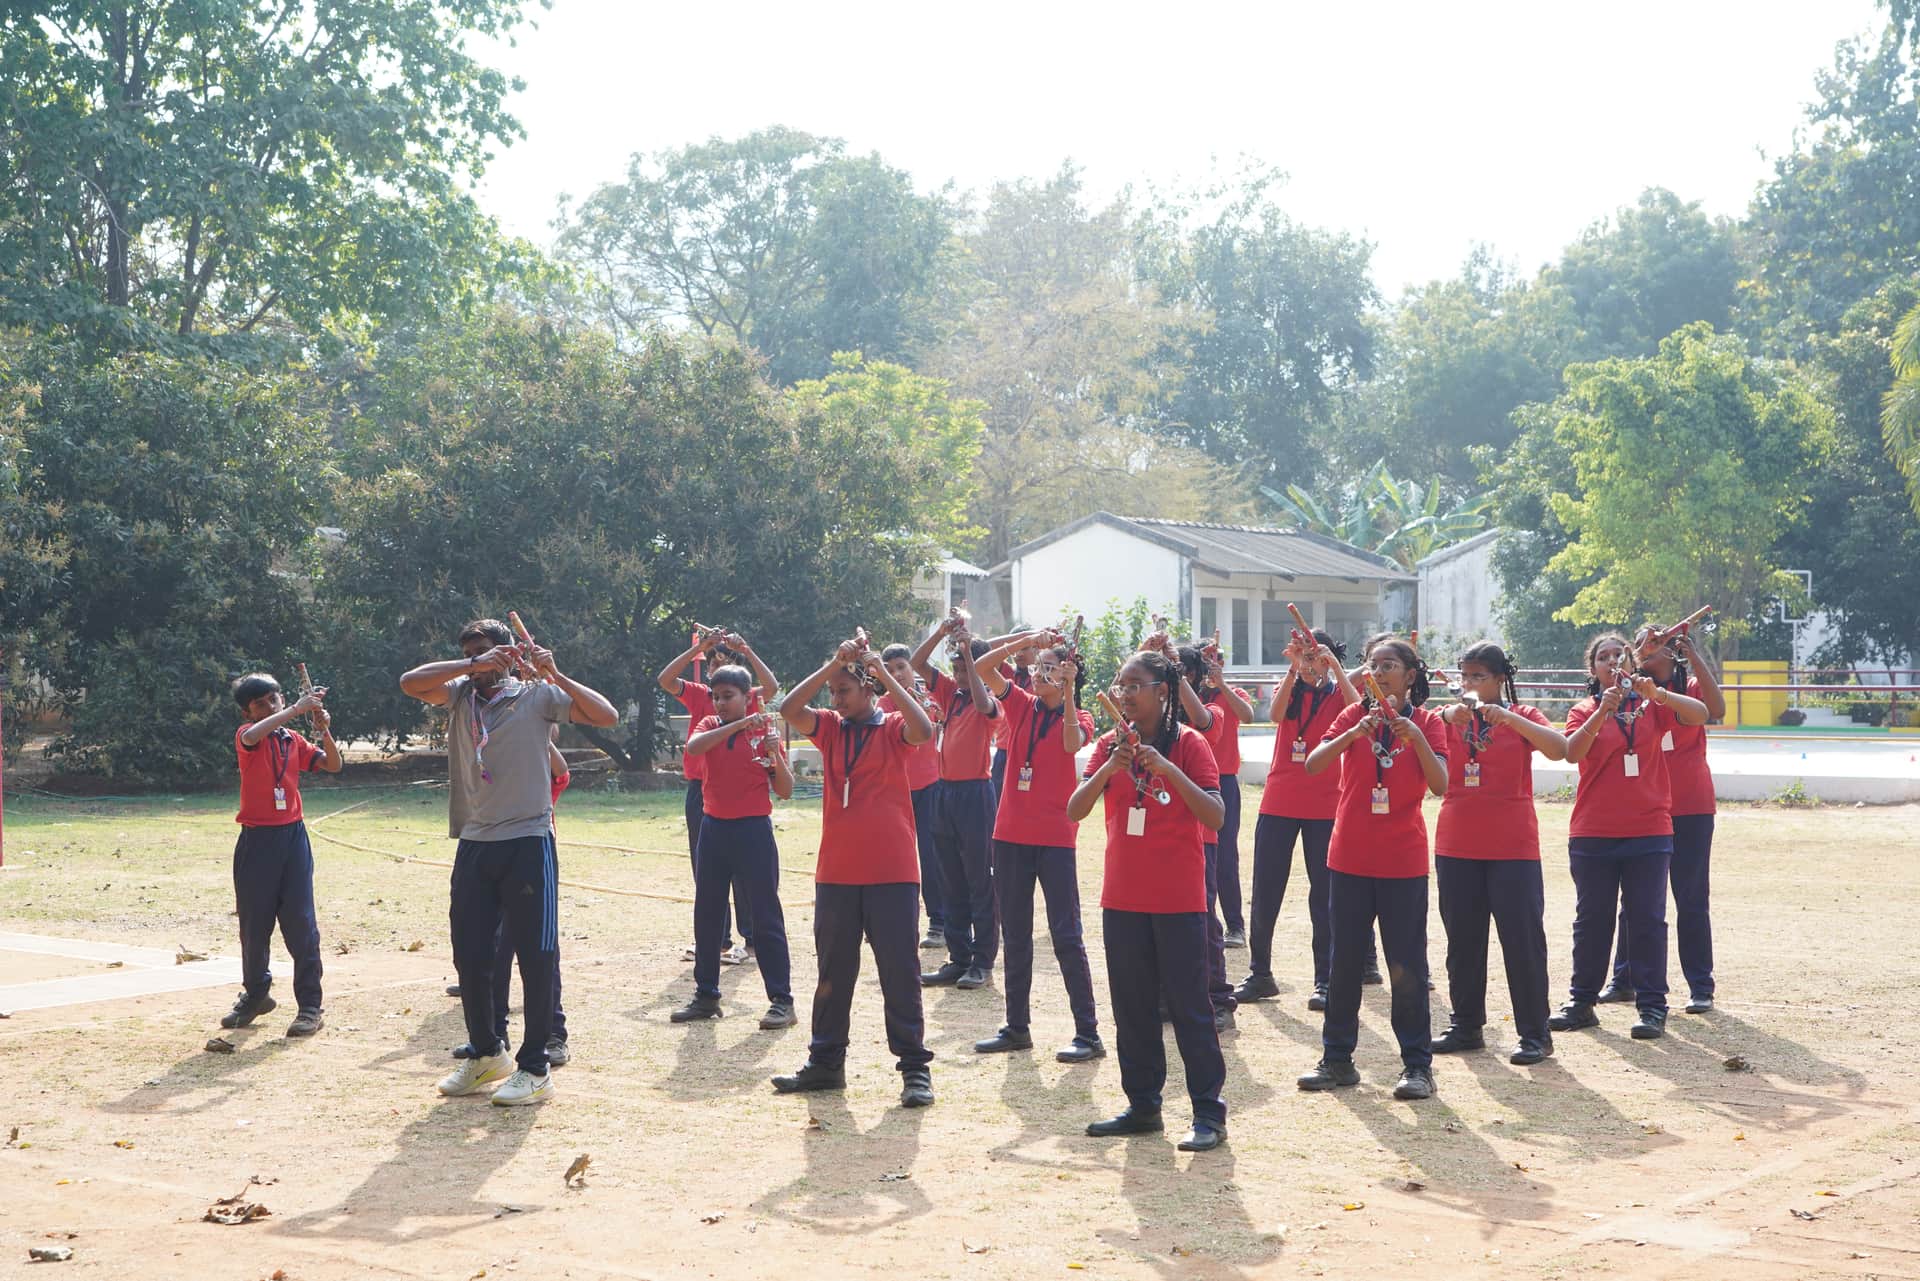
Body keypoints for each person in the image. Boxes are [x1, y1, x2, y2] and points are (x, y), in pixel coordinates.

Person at [400, 618, 619, 1106]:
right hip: (474, 839)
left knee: (536, 957)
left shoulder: (538, 695)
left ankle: (536, 1066)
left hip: (528, 838)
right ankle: (484, 1053)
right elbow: (410, 682)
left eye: (486, 652)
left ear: (509, 654)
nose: (478, 663)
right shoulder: (459, 692)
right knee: (471, 954)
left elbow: (605, 716)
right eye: (471, 653)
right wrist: (470, 664)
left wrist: (555, 673)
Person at [1070, 650, 1228, 1153]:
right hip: (1123, 899)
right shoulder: (1106, 746)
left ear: (1163, 692)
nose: (1124, 694)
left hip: (1180, 900)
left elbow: (1216, 815)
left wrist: (1167, 769)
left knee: (1189, 1008)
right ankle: (1143, 1106)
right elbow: (1075, 809)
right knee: (1132, 1008)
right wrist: (1108, 766)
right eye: (1120, 686)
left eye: (1134, 685)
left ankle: (1208, 1113)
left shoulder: (1191, 743)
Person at [771, 636, 938, 1107]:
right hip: (838, 873)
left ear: (868, 691)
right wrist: (834, 665)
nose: (835, 700)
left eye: (844, 691)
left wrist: (880, 673)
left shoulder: (893, 728)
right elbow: (788, 706)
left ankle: (914, 1070)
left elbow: (924, 730)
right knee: (833, 971)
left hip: (893, 871)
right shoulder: (829, 727)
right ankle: (825, 1064)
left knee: (899, 972)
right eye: (833, 693)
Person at [1296, 637, 1448, 1100]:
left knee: (1406, 965)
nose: (1378, 673)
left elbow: (1441, 784)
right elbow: (1313, 766)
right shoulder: (1350, 718)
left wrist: (1417, 738)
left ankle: (1417, 1065)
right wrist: (1352, 734)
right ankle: (1337, 1059)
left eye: (1389, 666)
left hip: (1402, 862)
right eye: (1372, 665)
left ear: (1411, 675)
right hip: (1349, 859)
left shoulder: (1427, 722)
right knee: (1343, 964)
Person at [1550, 633, 1709, 1041]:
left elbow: (1700, 713)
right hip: (1594, 832)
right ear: (1593, 670)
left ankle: (1652, 1006)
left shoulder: (1652, 707)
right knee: (1592, 921)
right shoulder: (1584, 709)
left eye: (1617, 654)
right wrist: (1602, 711)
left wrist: (1659, 694)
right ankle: (1581, 1001)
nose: (1610, 661)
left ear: (1631, 663)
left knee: (1647, 920)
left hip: (1650, 830)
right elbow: (1572, 751)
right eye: (1602, 657)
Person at [1429, 643, 1567, 1066]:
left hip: (1512, 847)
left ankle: (1534, 1032)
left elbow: (1560, 748)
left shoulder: (1521, 717)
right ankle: (1467, 1024)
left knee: (1522, 942)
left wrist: (1509, 718)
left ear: (1500, 679)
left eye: (1479, 677)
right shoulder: (1449, 718)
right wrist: (1445, 716)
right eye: (1465, 676)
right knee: (1463, 940)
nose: (1469, 684)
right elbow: (1422, 734)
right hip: (1456, 843)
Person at [975, 631, 1103, 1062]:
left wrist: (1067, 692)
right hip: (1010, 836)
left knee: (1066, 935)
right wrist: (1026, 640)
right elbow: (982, 668)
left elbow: (1072, 742)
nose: (1038, 672)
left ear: (1067, 676)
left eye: (1050, 666)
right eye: (1038, 666)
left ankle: (1088, 1032)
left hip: (1054, 840)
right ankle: (1017, 1027)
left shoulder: (1081, 716)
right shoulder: (1020, 703)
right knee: (1016, 935)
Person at [1599, 629, 1725, 1014]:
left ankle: (1700, 985)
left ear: (1671, 651)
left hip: (1690, 806)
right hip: (1647, 806)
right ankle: (1624, 978)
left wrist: (1692, 653)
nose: (1645, 649)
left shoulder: (1684, 686)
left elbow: (1716, 711)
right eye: (1640, 644)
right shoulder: (1632, 689)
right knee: (1634, 900)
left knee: (1690, 899)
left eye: (1653, 644)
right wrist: (1631, 660)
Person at [1236, 629, 1362, 1011]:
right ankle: (1260, 973)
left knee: (1323, 896)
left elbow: (1360, 707)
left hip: (1324, 805)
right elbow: (1274, 714)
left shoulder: (1338, 691)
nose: (1308, 663)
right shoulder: (1291, 685)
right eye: (1303, 656)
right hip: (1278, 801)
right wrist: (1293, 669)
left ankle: (1325, 979)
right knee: (1266, 890)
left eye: (1314, 657)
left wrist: (1337, 668)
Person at [670, 664, 798, 1029]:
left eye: (729, 697)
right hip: (714, 829)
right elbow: (694, 748)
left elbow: (785, 791)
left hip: (753, 831)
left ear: (747, 698)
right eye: (716, 697)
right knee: (708, 914)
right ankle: (706, 995)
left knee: (765, 916)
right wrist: (739, 725)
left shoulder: (764, 733)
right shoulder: (710, 726)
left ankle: (781, 1000)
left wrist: (774, 755)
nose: (721, 703)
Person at [221, 673, 342, 1037]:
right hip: (257, 840)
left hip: (293, 839)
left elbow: (334, 765)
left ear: (280, 697)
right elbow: (255, 734)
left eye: (274, 699)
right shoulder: (248, 737)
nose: (270, 707)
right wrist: (296, 709)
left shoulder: (293, 739)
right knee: (254, 926)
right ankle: (256, 993)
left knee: (301, 925)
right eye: (260, 704)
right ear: (247, 711)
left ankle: (310, 1006)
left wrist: (324, 730)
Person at [657, 630, 778, 965]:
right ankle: (718, 938)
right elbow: (665, 679)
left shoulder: (748, 700)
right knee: (706, 868)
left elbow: (772, 687)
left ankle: (750, 937)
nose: (718, 665)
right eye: (712, 662)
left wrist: (747, 650)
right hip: (702, 789)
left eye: (725, 661)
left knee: (744, 871)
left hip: (741, 794)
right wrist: (698, 648)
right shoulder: (702, 697)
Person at [911, 619, 1001, 990]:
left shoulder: (988, 698)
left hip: (975, 795)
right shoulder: (951, 693)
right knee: (951, 879)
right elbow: (918, 662)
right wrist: (944, 633)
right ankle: (958, 957)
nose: (960, 673)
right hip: (944, 792)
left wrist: (969, 651)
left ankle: (982, 961)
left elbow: (984, 703)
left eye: (967, 668)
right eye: (958, 667)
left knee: (980, 879)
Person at [880, 644, 948, 950]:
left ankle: (939, 922)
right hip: (895, 791)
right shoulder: (881, 705)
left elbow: (942, 729)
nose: (897, 673)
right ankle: (892, 920)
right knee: (894, 857)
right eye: (890, 669)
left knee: (932, 856)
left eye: (901, 667)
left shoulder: (932, 699)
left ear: (912, 668)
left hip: (931, 786)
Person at [1197, 644, 1255, 950]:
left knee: (1225, 856)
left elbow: (1247, 715)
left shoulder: (1233, 694)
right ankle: (1202, 920)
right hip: (1189, 781)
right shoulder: (1188, 696)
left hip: (1223, 782)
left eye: (1216, 661)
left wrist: (1222, 686)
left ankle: (1235, 925)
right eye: (1205, 661)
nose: (1211, 667)